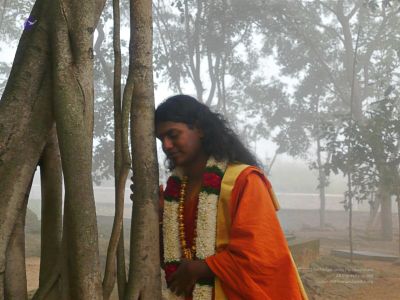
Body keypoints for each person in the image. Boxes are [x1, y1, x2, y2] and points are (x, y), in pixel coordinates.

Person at [156, 95, 308, 300]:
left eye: (173, 135)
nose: (166, 145)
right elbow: (171, 256)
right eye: (161, 139)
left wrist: (203, 268)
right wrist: (159, 216)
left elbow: (261, 253)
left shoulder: (243, 181)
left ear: (199, 129)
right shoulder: (176, 190)